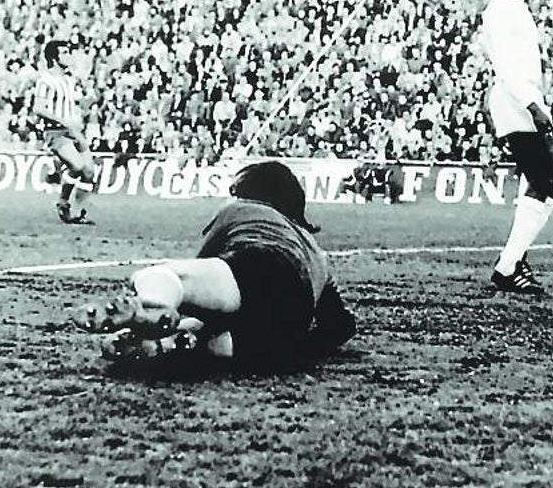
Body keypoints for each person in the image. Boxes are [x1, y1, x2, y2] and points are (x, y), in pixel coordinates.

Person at [72, 161, 357, 371]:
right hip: (288, 324)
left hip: (261, 264)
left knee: (167, 278)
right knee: (216, 338)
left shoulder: (243, 210)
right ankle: (184, 342)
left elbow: (203, 277)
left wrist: (172, 294)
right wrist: (302, 346)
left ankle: (150, 307)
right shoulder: (318, 253)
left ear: (248, 192)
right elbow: (340, 326)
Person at [477, 0, 553, 295]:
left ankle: (513, 263)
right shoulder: (501, 11)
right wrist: (533, 105)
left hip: (522, 100)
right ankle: (508, 266)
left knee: (543, 181)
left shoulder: (513, 7)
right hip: (517, 103)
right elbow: (506, 66)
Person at [32, 39, 97, 225]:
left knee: (89, 172)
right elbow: (39, 108)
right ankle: (63, 201)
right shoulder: (45, 81)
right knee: (77, 166)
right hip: (57, 132)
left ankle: (76, 212)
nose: (69, 56)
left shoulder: (69, 80)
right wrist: (64, 121)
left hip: (74, 131)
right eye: (65, 53)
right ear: (54, 57)